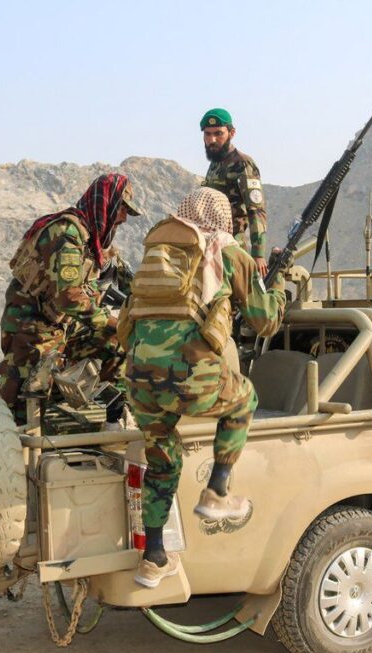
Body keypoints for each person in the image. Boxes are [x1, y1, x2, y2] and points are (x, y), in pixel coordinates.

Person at [118, 188, 286, 588]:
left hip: (139, 377)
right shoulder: (227, 252)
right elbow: (266, 321)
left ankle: (153, 557)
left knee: (162, 460)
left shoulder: (158, 253)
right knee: (243, 399)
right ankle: (217, 492)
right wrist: (281, 280)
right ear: (221, 218)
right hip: (188, 375)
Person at [0, 173, 141, 425]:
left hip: (63, 323)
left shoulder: (93, 240)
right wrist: (114, 322)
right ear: (106, 203)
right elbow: (69, 298)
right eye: (122, 209)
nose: (124, 218)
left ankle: (113, 420)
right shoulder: (66, 234)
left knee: (117, 342)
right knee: (25, 403)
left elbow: (118, 283)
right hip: (31, 326)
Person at [200, 108, 270, 276]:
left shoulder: (242, 163)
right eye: (208, 134)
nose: (212, 140)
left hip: (233, 245)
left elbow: (256, 209)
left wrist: (258, 254)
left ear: (232, 133)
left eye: (218, 133)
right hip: (211, 243)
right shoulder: (215, 164)